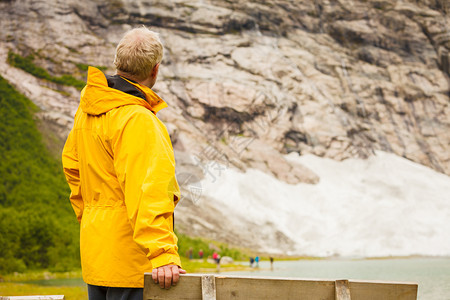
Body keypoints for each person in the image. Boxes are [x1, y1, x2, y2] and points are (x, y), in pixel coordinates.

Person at [62, 26, 185, 300]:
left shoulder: (87, 111)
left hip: (97, 257)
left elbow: (72, 168)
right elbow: (149, 189)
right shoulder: (138, 120)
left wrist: (92, 220)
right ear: (154, 70)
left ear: (118, 64)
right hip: (133, 266)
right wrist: (163, 253)